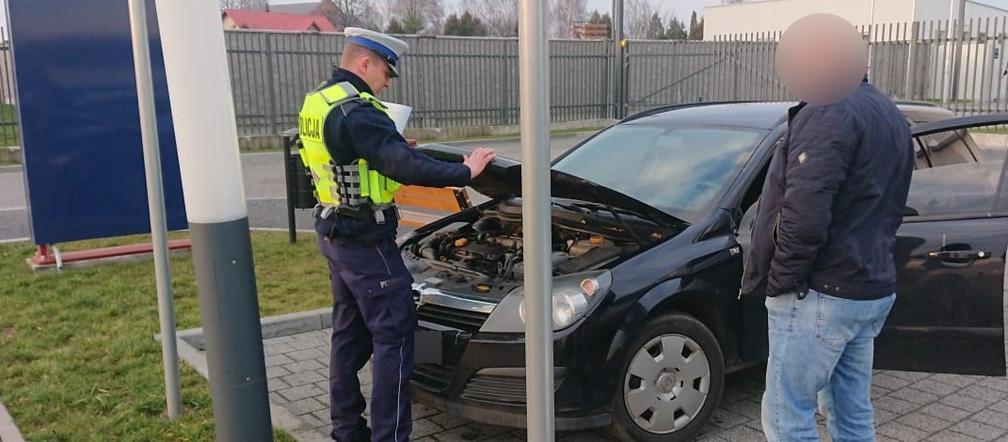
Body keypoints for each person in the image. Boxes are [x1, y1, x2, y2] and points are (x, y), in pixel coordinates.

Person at [297, 28, 496, 442]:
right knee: (395, 340)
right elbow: (405, 167)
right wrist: (466, 172)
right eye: (385, 70)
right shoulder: (359, 110)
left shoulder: (320, 100)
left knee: (348, 337)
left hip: (336, 236)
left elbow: (345, 156)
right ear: (364, 62)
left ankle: (347, 430)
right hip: (367, 242)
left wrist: (388, 144)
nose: (387, 80)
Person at [740, 76, 914, 441]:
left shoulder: (827, 110)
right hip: (868, 287)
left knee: (787, 416)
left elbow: (804, 217)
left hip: (821, 294)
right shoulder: (888, 113)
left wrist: (781, 283)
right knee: (851, 411)